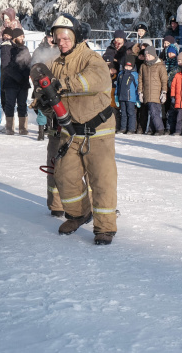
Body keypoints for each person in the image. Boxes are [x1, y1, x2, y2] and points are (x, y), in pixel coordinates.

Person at [41, 13, 117, 245]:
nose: (61, 42)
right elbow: (47, 95)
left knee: (102, 179)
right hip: (70, 131)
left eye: (66, 37)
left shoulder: (91, 58)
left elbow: (95, 80)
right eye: (57, 38)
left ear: (76, 36)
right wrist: (42, 102)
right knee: (65, 176)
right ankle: (78, 213)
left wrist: (62, 85)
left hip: (98, 130)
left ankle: (104, 227)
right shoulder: (54, 64)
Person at [0, 28, 31, 135]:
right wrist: (18, 77)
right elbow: (6, 66)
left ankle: (23, 128)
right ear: (15, 37)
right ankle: (9, 128)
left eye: (23, 36)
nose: (23, 38)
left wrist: (27, 75)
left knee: (22, 105)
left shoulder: (25, 49)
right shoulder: (7, 48)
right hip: (11, 83)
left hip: (23, 83)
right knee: (10, 105)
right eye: (21, 36)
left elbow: (29, 64)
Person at [138, 45, 167, 135]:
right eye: (146, 56)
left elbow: (164, 80)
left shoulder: (160, 66)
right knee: (152, 112)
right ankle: (152, 129)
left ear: (154, 55)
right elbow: (140, 80)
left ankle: (160, 129)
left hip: (156, 93)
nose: (147, 57)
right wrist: (140, 92)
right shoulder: (143, 66)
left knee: (155, 112)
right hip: (147, 92)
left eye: (149, 55)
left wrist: (164, 92)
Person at [116, 55, 139, 134]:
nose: (128, 68)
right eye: (126, 66)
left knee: (131, 113)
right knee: (123, 113)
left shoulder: (134, 75)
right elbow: (118, 86)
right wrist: (116, 96)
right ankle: (123, 128)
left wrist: (137, 98)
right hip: (122, 97)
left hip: (130, 98)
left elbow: (137, 87)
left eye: (129, 66)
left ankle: (131, 129)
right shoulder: (120, 74)